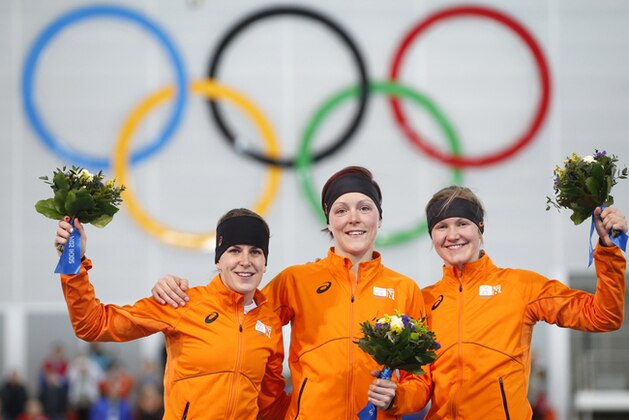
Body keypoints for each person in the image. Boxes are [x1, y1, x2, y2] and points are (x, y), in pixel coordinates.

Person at [151, 166, 427, 419]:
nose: (353, 219)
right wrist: (180, 293)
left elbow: (422, 379)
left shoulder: (404, 289)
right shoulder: (297, 281)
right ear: (329, 222)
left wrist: (397, 398)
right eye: (341, 210)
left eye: (364, 208)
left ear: (379, 218)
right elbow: (236, 316)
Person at [366, 185, 627, 419]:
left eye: (462, 223)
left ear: (480, 227)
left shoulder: (521, 286)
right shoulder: (424, 301)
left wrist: (608, 249)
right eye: (441, 226)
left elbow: (602, 316)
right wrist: (394, 398)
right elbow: (421, 387)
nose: (452, 234)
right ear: (432, 236)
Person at [53, 208, 289, 419]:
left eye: (255, 252)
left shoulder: (269, 322)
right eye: (235, 251)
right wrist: (73, 261)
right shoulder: (182, 302)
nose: (245, 261)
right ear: (219, 259)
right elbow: (93, 324)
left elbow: (271, 406)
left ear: (265, 263)